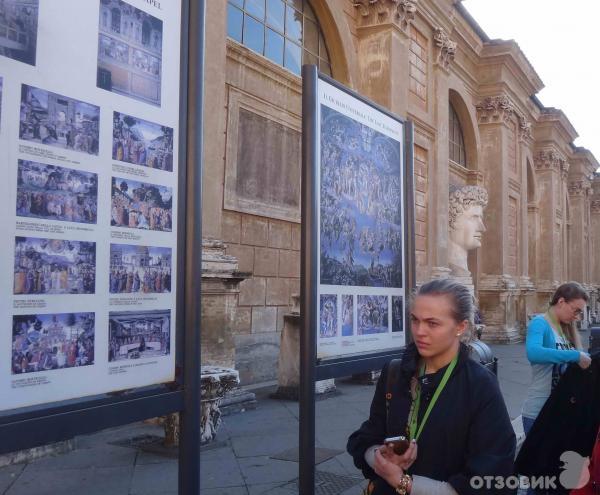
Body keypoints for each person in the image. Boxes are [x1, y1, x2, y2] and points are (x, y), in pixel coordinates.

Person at [347, 279, 515, 494]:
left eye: (432, 323)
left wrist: (405, 483)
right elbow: (367, 437)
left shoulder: (480, 386)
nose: (419, 331)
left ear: (460, 327)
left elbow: (490, 476)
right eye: (415, 320)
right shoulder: (395, 373)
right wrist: (381, 456)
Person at [521, 282, 591, 435]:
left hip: (561, 412)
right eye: (576, 310)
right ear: (561, 302)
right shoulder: (540, 323)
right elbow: (533, 352)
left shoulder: (565, 328)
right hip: (538, 413)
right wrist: (575, 355)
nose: (577, 316)